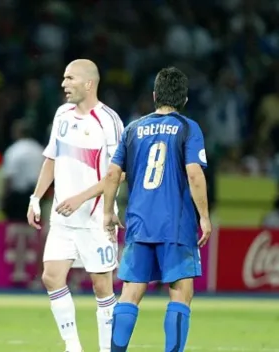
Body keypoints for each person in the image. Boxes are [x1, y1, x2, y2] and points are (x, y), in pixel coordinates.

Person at [103, 67, 212, 352]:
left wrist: (107, 212)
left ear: (154, 96)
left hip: (139, 224)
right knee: (180, 292)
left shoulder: (133, 129)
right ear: (184, 100)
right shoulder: (188, 127)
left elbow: (113, 174)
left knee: (130, 291)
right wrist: (204, 217)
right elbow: (194, 173)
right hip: (175, 225)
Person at [27, 59, 124, 352]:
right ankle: (73, 347)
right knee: (51, 277)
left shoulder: (109, 121)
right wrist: (35, 197)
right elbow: (51, 159)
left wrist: (82, 198)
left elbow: (116, 174)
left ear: (88, 84)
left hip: (96, 219)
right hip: (62, 219)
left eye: (69, 78)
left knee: (102, 287)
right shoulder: (62, 114)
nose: (63, 84)